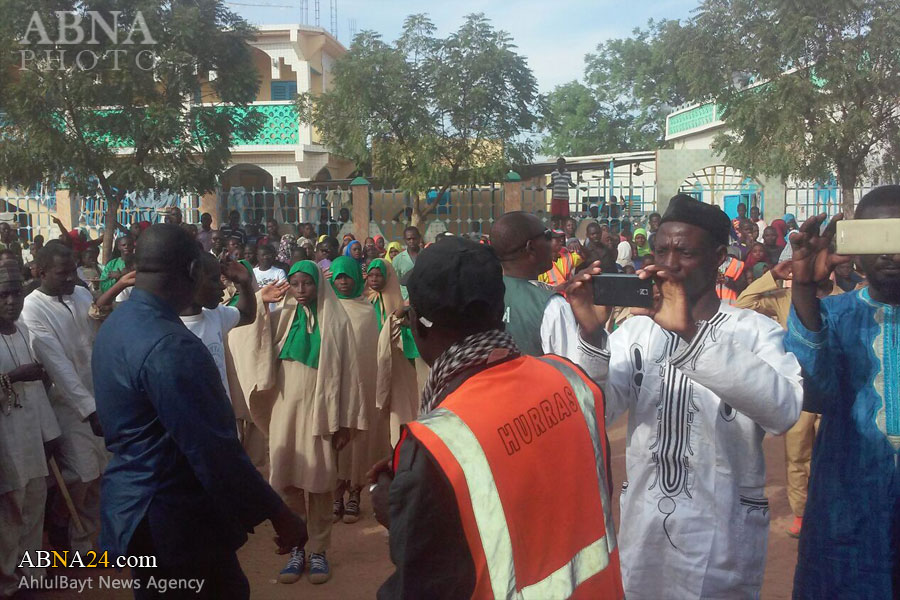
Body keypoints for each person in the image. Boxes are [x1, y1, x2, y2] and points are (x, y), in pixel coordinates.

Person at [571, 194, 803, 598]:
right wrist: (592, 339)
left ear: (717, 256)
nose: (669, 263)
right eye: (661, 250)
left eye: (685, 252)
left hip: (722, 528)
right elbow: (598, 414)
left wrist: (690, 336)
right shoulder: (636, 331)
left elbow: (782, 412)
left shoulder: (752, 330)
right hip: (646, 526)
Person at [373, 237, 624, 599]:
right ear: (499, 308)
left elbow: (421, 583)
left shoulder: (438, 444)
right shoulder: (571, 380)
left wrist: (397, 513)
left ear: (417, 323)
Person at [91, 225, 306, 599]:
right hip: (175, 515)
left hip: (135, 506)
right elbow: (212, 448)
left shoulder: (118, 324)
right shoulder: (171, 345)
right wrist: (278, 513)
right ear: (192, 270)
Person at [784, 186, 900, 599]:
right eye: (877, 237)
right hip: (847, 502)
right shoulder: (832, 315)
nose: (890, 252)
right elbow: (814, 392)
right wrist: (803, 290)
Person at [256, 260, 366, 586]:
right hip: (285, 415)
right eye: (296, 283)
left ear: (319, 285)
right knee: (289, 481)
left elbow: (350, 376)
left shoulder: (338, 323)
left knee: (320, 484)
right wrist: (262, 302)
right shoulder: (282, 318)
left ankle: (319, 550)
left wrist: (345, 422)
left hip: (322, 416)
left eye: (308, 283)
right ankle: (297, 547)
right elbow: (253, 338)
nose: (302, 290)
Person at [20, 242, 107, 554]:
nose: (72, 278)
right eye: (63, 273)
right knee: (80, 475)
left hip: (100, 399)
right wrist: (89, 409)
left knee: (101, 473)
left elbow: (99, 340)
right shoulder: (31, 308)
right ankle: (63, 530)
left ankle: (91, 543)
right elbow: (57, 365)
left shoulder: (81, 295)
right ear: (40, 272)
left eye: (73, 272)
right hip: (66, 407)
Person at [0, 259, 60, 598]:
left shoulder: (23, 330)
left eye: (16, 295)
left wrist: (49, 433)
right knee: (10, 508)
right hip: (4, 438)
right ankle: (8, 582)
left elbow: (38, 389)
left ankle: (31, 574)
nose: (11, 302)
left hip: (31, 433)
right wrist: (13, 377)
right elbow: (21, 378)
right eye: (3, 295)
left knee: (35, 501)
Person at [491, 212, 608, 378]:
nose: (554, 244)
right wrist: (593, 333)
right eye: (547, 236)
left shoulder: (486, 293)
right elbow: (573, 378)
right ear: (530, 247)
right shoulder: (551, 306)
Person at [329, 257, 383, 525]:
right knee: (335, 439)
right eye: (338, 277)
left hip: (363, 385)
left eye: (347, 276)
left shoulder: (367, 311)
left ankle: (354, 494)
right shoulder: (326, 308)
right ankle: (336, 494)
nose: (343, 282)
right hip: (335, 387)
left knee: (359, 438)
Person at [365, 259, 420, 445]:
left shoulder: (398, 302)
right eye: (371, 275)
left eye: (378, 275)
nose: (374, 280)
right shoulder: (364, 300)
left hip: (395, 364)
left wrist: (397, 319)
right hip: (370, 361)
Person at [393, 227, 421, 300]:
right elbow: (395, 283)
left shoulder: (427, 255)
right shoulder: (398, 259)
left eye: (414, 238)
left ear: (419, 238)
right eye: (409, 239)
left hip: (424, 299)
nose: (411, 241)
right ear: (404, 240)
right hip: (405, 300)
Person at [549, 157, 576, 227]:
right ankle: (556, 232)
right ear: (557, 165)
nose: (560, 165)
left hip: (565, 199)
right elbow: (552, 183)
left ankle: (564, 232)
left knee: (565, 217)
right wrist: (543, 187)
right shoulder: (553, 173)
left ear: (564, 164)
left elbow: (571, 183)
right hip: (556, 198)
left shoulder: (568, 173)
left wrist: (580, 187)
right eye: (559, 164)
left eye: (562, 164)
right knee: (555, 218)